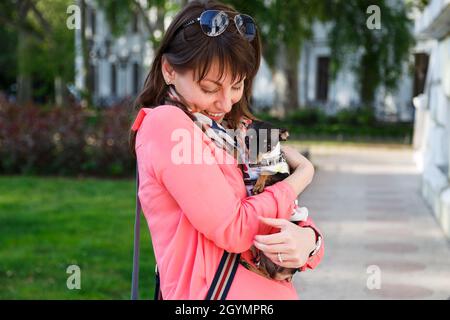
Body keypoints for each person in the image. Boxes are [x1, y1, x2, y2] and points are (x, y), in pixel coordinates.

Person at [129, 0, 324, 300]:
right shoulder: (167, 124)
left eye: (237, 86)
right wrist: (302, 176)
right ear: (169, 70)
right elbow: (234, 228)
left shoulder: (241, 129)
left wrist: (308, 241)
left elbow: (293, 215)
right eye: (209, 88)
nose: (225, 102)